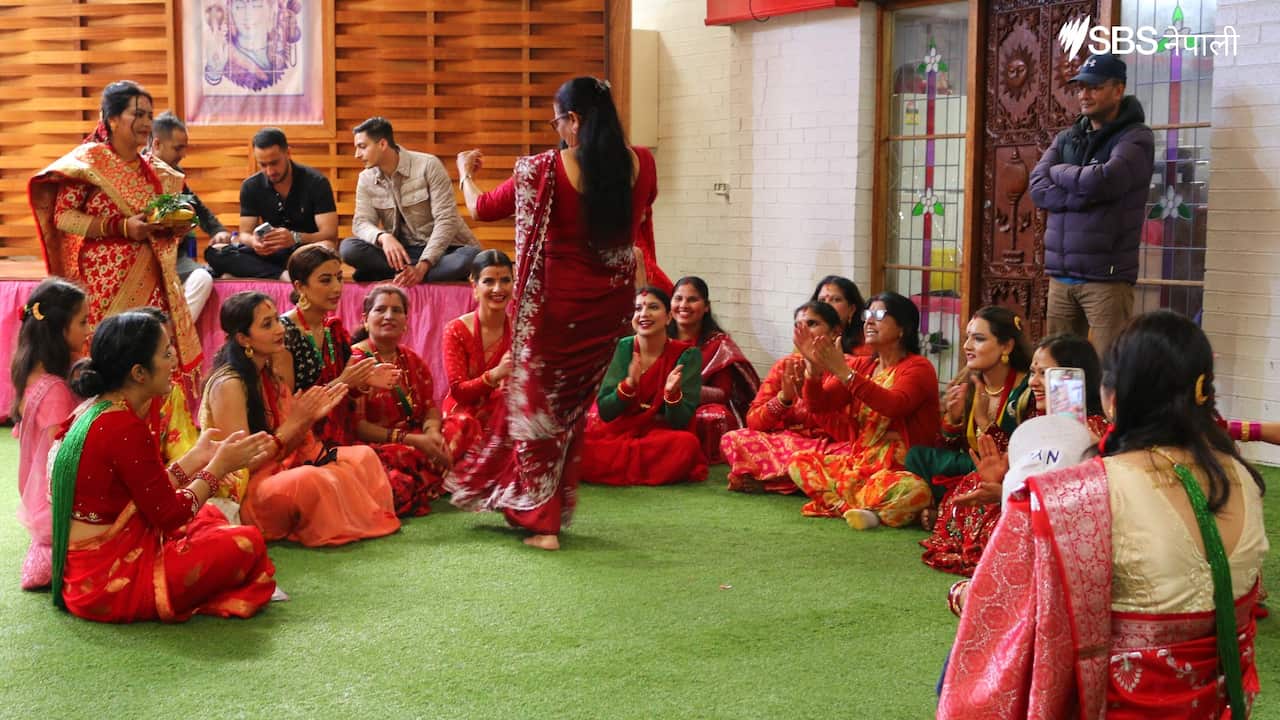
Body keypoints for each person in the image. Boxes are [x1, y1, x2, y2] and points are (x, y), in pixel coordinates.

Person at [938, 311, 1268, 719]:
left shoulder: (1085, 493)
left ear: (1112, 396)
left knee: (956, 670)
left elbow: (1012, 607)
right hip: (1222, 705)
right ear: (1203, 391)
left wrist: (963, 594)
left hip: (1117, 707)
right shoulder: (1244, 479)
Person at [447, 76, 658, 550]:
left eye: (557, 120)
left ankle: (541, 520)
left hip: (557, 306)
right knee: (569, 410)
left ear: (574, 120)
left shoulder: (543, 169)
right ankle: (547, 503)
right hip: (610, 307)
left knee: (538, 407)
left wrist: (464, 171)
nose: (556, 128)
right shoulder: (642, 163)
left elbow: (481, 209)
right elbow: (640, 222)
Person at [49, 310, 277, 622]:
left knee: (211, 515)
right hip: (110, 581)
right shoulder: (123, 426)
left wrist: (196, 457)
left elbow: (148, 492)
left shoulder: (100, 411)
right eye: (167, 353)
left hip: (92, 567)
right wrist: (218, 468)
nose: (174, 362)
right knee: (246, 542)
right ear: (139, 373)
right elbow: (171, 515)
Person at [28, 80, 203, 396]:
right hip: (105, 284)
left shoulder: (153, 170)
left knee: (148, 355)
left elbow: (157, 220)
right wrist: (120, 228)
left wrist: (172, 227)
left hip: (152, 281)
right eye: (138, 114)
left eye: (150, 115)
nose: (147, 123)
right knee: (112, 359)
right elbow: (63, 216)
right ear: (111, 119)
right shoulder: (90, 162)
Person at [199, 291, 401, 546]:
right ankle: (344, 527)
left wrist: (306, 420)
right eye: (267, 324)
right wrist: (296, 424)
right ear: (243, 338)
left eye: (275, 319)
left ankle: (368, 525)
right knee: (312, 479)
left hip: (283, 464)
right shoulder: (229, 383)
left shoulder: (268, 373)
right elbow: (239, 465)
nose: (279, 329)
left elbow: (297, 431)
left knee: (363, 457)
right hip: (245, 490)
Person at [918, 331, 1103, 576]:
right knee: (969, 482)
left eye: (1045, 374)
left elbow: (1074, 494)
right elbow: (1012, 455)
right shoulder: (1033, 412)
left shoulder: (1093, 430)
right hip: (1019, 494)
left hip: (1057, 517)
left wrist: (1006, 492)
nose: (1033, 382)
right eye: (1033, 372)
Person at [1030, 52, 1155, 355]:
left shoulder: (1136, 138)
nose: (1084, 95)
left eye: (1094, 87)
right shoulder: (1067, 138)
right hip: (1060, 277)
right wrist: (1083, 190)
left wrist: (1059, 172)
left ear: (1118, 89)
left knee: (1104, 372)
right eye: (1081, 88)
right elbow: (1037, 187)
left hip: (1106, 280)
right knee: (1059, 370)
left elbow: (1105, 182)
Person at [788, 292, 940, 529]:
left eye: (879, 315)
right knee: (799, 462)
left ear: (903, 328)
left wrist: (846, 374)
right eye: (867, 314)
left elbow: (893, 405)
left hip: (898, 470)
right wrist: (814, 371)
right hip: (860, 464)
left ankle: (847, 503)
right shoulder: (864, 365)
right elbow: (820, 405)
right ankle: (863, 509)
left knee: (914, 490)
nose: (869, 320)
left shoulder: (919, 368)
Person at [720, 301, 855, 494]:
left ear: (835, 332)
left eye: (812, 324)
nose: (804, 331)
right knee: (733, 438)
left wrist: (809, 396)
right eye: (798, 326)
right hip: (784, 445)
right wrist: (783, 398)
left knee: (853, 454)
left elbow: (850, 432)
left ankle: (772, 483)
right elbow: (753, 422)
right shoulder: (785, 366)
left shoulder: (848, 367)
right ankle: (802, 481)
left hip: (829, 447)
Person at [581, 287, 706, 486]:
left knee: (686, 445)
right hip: (617, 432)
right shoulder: (622, 348)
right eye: (638, 308)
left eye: (653, 307)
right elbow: (605, 412)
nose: (644, 314)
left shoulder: (687, 355)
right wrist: (628, 386)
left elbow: (680, 422)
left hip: (659, 433)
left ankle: (613, 469)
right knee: (576, 446)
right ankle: (642, 470)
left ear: (668, 317)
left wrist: (672, 395)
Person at [276, 244, 396, 446]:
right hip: (298, 442)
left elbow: (348, 390)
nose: (337, 288)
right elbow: (286, 409)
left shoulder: (333, 330)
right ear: (300, 286)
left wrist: (364, 380)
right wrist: (343, 382)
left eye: (339, 278)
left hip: (339, 436)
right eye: (326, 280)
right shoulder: (283, 334)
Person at [11, 279, 88, 590]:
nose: (88, 328)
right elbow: (64, 461)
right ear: (59, 329)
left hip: (40, 501)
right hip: (57, 504)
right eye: (82, 321)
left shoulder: (33, 369)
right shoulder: (55, 390)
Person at [341, 116, 481, 285]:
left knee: (471, 257)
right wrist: (383, 237)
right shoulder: (366, 178)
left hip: (444, 250)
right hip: (402, 253)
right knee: (348, 249)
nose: (357, 155)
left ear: (383, 144)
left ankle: (398, 274)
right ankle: (413, 274)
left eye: (362, 147)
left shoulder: (428, 165)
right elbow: (361, 222)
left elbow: (446, 220)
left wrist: (423, 266)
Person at [349, 286, 450, 517]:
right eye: (380, 309)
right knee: (396, 487)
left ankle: (430, 474)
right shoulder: (355, 361)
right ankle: (434, 477)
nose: (389, 316)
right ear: (365, 320)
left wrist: (432, 432)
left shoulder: (411, 359)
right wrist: (413, 440)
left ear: (406, 321)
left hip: (417, 439)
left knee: (464, 425)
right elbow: (357, 427)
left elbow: (430, 407)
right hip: (376, 448)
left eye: (396, 310)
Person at [205, 127, 338, 279]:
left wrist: (295, 238)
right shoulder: (251, 186)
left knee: (327, 247)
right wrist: (254, 242)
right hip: (269, 253)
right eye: (263, 165)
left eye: (274, 163)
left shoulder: (316, 182)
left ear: (288, 153)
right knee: (215, 251)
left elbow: (330, 233)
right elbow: (244, 234)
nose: (270, 171)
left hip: (304, 251)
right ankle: (281, 275)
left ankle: (260, 271)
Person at [668, 276, 760, 464]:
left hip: (697, 407)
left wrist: (684, 391)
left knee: (716, 416)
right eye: (678, 298)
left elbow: (722, 393)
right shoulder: (658, 337)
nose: (683, 305)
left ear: (706, 306)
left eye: (692, 299)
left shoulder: (718, 344)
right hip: (659, 402)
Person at [147, 111, 223, 320]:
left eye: (185, 147)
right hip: (143, 255)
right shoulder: (136, 175)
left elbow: (196, 208)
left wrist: (218, 231)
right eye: (178, 148)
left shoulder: (175, 175)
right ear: (157, 144)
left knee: (202, 278)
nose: (183, 154)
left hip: (174, 255)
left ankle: (175, 334)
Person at [441, 249, 514, 461]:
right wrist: (496, 374)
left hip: (504, 411)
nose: (498, 289)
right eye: (488, 281)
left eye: (505, 281)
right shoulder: (455, 330)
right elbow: (458, 391)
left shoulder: (521, 329)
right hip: (464, 414)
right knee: (463, 427)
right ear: (474, 286)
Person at [809, 275, 869, 355]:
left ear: (852, 309)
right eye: (822, 300)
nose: (826, 305)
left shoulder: (866, 342)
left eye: (836, 300)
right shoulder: (808, 336)